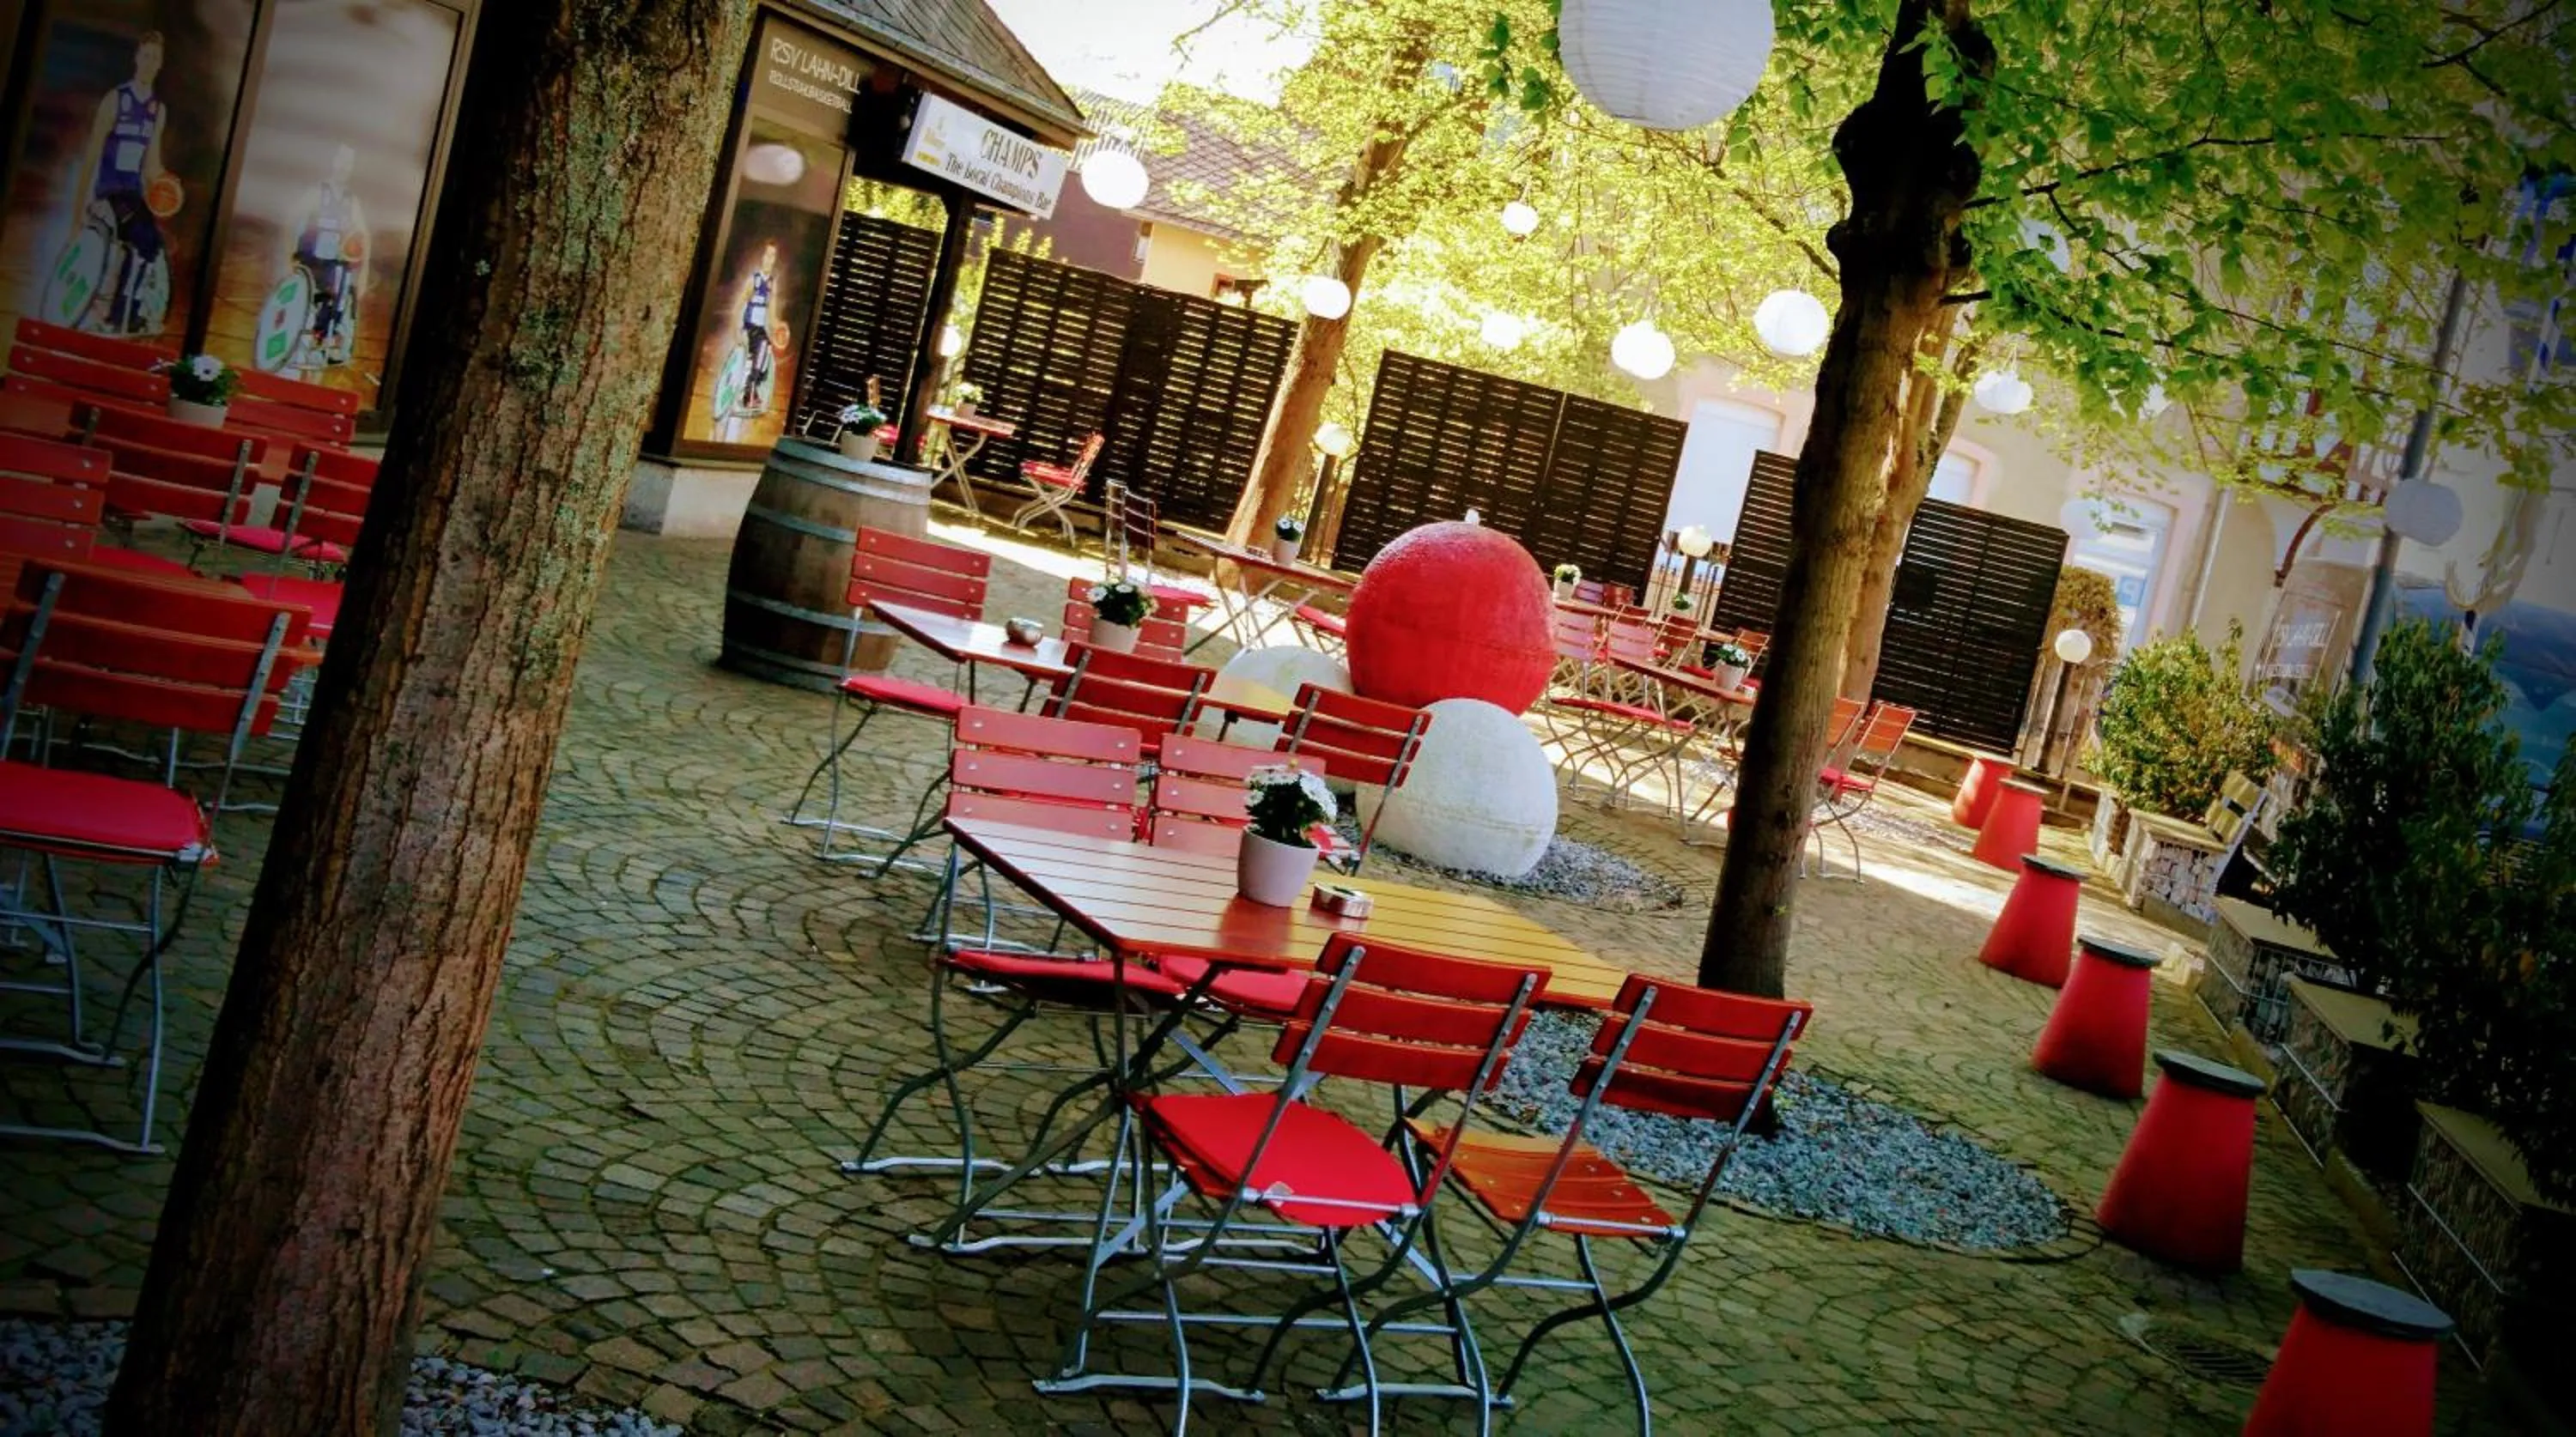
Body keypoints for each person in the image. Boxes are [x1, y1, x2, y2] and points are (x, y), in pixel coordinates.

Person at [67, 29, 170, 333]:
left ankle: (123, 315)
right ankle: (123, 315)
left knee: (152, 242)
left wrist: (167, 185)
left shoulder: (157, 110)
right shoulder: (115, 99)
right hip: (109, 193)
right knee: (144, 238)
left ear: (160, 64)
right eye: (146, 56)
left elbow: (152, 165)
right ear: (136, 58)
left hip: (133, 196)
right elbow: (91, 156)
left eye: (155, 58)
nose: (149, 62)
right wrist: (78, 211)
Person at [286, 144, 369, 367]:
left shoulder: (352, 201)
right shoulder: (316, 193)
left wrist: (364, 275)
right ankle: (296, 347)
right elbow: (293, 222)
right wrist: (289, 256)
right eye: (341, 160)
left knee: (338, 302)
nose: (345, 167)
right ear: (332, 161)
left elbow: (364, 237)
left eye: (349, 163)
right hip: (311, 263)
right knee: (305, 305)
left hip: (336, 266)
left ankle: (323, 345)